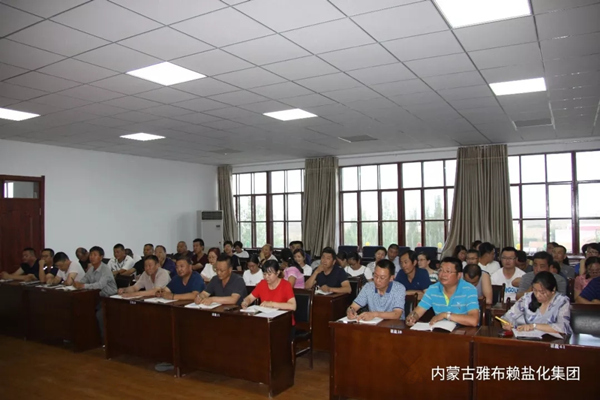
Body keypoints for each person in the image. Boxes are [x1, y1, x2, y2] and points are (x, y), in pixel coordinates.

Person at [406, 257, 480, 327]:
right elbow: (418, 311)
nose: (443, 274)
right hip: (441, 331)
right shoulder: (433, 289)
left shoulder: (469, 289)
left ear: (459, 275)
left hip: (464, 331)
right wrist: (412, 317)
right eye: (441, 270)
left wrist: (446, 315)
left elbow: (474, 320)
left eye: (448, 271)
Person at [501, 271, 572, 335]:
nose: (537, 295)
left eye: (542, 292)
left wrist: (534, 326)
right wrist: (505, 324)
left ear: (553, 290)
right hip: (530, 340)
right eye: (535, 290)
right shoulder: (527, 298)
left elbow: (562, 327)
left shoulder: (562, 301)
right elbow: (506, 317)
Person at [73, 246, 117, 343]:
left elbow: (100, 285)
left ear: (101, 257)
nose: (92, 257)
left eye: (95, 255)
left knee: (99, 315)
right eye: (91, 255)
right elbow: (84, 280)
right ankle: (88, 338)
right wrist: (77, 284)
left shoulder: (105, 269)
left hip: (109, 298)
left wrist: (83, 286)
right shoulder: (91, 269)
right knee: (81, 310)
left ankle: (104, 340)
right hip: (96, 297)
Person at [241, 260, 296, 324]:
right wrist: (246, 302)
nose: (266, 277)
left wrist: (271, 304)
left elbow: (293, 306)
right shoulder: (262, 284)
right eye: (264, 274)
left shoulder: (286, 285)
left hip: (283, 322)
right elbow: (250, 298)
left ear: (277, 273)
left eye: (269, 274)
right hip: (266, 321)